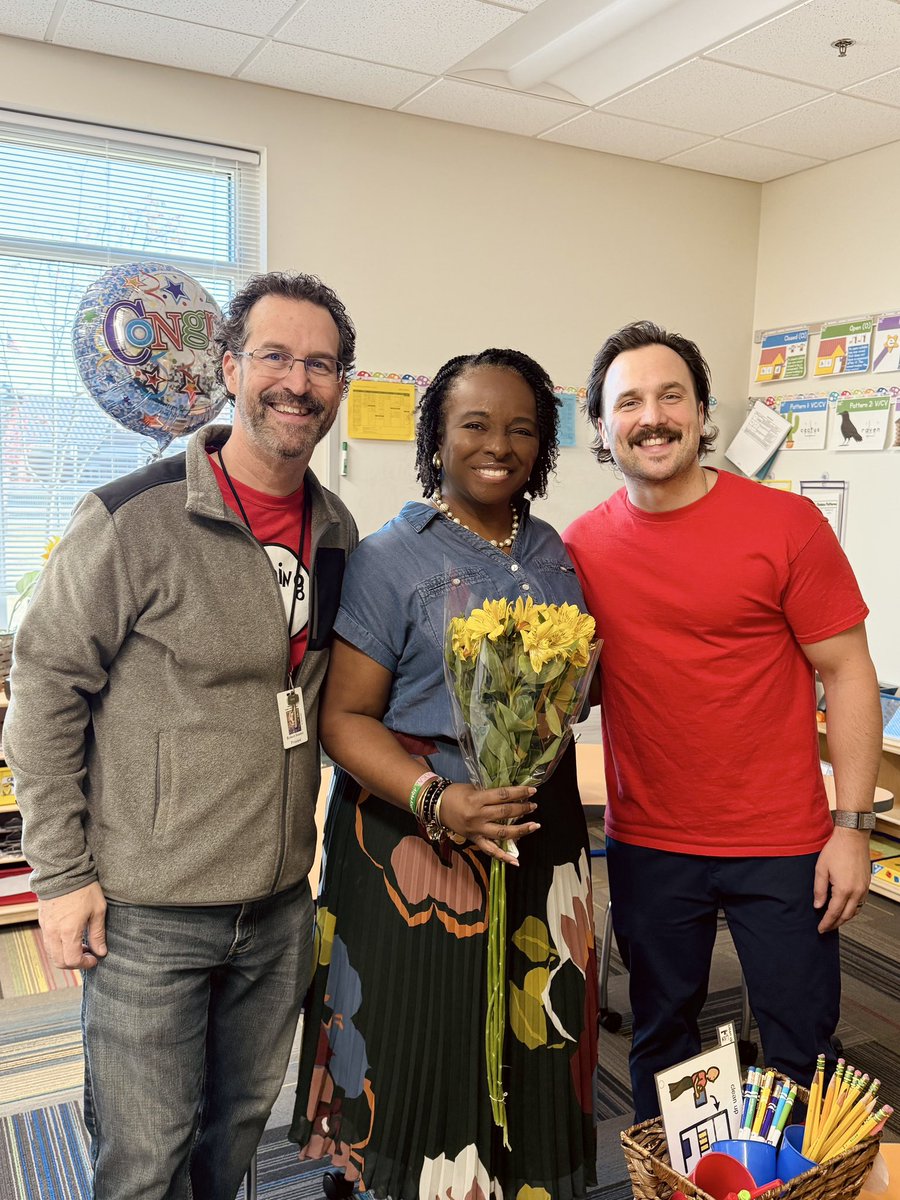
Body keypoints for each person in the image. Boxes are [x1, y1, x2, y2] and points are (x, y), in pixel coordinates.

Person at [3, 271, 359, 1199]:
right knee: (144, 1157)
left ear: (339, 389)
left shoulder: (337, 531)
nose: (298, 381)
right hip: (149, 912)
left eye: (320, 364)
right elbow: (42, 692)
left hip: (279, 903)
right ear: (231, 367)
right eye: (275, 355)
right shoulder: (133, 518)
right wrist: (62, 876)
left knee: (232, 1142)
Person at [291, 349, 598, 1200]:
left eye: (522, 428)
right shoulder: (393, 557)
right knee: (421, 1043)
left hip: (541, 837)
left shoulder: (554, 551)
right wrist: (440, 798)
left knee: (535, 1032)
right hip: (417, 846)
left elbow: (571, 687)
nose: (497, 445)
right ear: (436, 435)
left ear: (543, 446)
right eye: (473, 424)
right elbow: (343, 719)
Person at [563, 319, 882, 1122]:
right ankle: (670, 1177)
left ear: (702, 412)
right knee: (663, 1036)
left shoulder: (785, 526)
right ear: (602, 427)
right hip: (652, 839)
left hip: (783, 840)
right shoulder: (580, 550)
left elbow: (847, 672)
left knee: (801, 1045)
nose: (653, 416)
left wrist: (852, 827)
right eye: (628, 401)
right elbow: (576, 689)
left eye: (672, 395)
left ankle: (797, 1177)